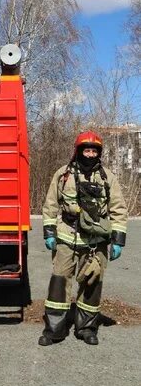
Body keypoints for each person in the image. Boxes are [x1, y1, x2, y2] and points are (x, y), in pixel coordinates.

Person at [39, 130, 128, 347]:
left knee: (92, 284)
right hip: (66, 237)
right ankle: (54, 330)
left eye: (94, 150)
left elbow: (118, 209)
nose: (89, 154)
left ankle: (86, 328)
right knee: (59, 282)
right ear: (78, 151)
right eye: (86, 150)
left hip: (96, 241)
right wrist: (49, 232)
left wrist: (117, 240)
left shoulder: (108, 177)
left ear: (99, 153)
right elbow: (50, 205)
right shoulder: (63, 175)